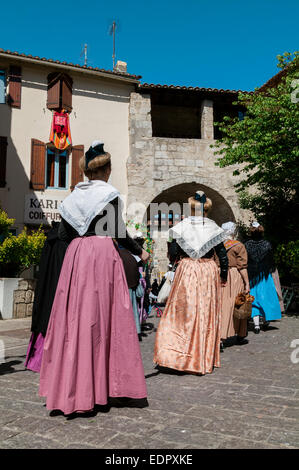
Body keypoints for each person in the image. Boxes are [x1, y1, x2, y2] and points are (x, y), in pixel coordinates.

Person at [39, 140, 149, 415]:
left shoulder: (72, 198)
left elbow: (63, 236)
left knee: (76, 320)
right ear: (107, 168)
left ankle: (74, 386)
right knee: (105, 320)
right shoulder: (109, 194)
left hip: (76, 257)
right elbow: (118, 231)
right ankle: (104, 387)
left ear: (86, 171)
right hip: (101, 255)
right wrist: (140, 252)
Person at [154, 191, 228, 375]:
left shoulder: (181, 227)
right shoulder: (214, 228)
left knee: (182, 312)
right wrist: (223, 275)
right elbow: (223, 255)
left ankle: (175, 354)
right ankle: (198, 356)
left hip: (186, 269)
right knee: (203, 312)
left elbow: (172, 252)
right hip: (208, 270)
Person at [25, 221, 69, 373]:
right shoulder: (64, 243)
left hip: (45, 287)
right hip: (58, 289)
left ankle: (36, 360)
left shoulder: (49, 239)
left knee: (44, 317)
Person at [245, 222, 281, 334]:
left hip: (252, 276)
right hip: (264, 276)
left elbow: (245, 260)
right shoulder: (267, 244)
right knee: (267, 298)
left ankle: (256, 326)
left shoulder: (246, 244)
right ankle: (265, 321)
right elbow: (271, 261)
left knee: (254, 300)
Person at [219, 221, 250, 347]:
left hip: (219, 276)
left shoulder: (218, 245)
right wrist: (247, 283)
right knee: (237, 304)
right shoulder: (239, 246)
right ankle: (240, 334)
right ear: (233, 232)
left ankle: (220, 336)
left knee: (221, 305)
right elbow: (242, 267)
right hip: (234, 275)